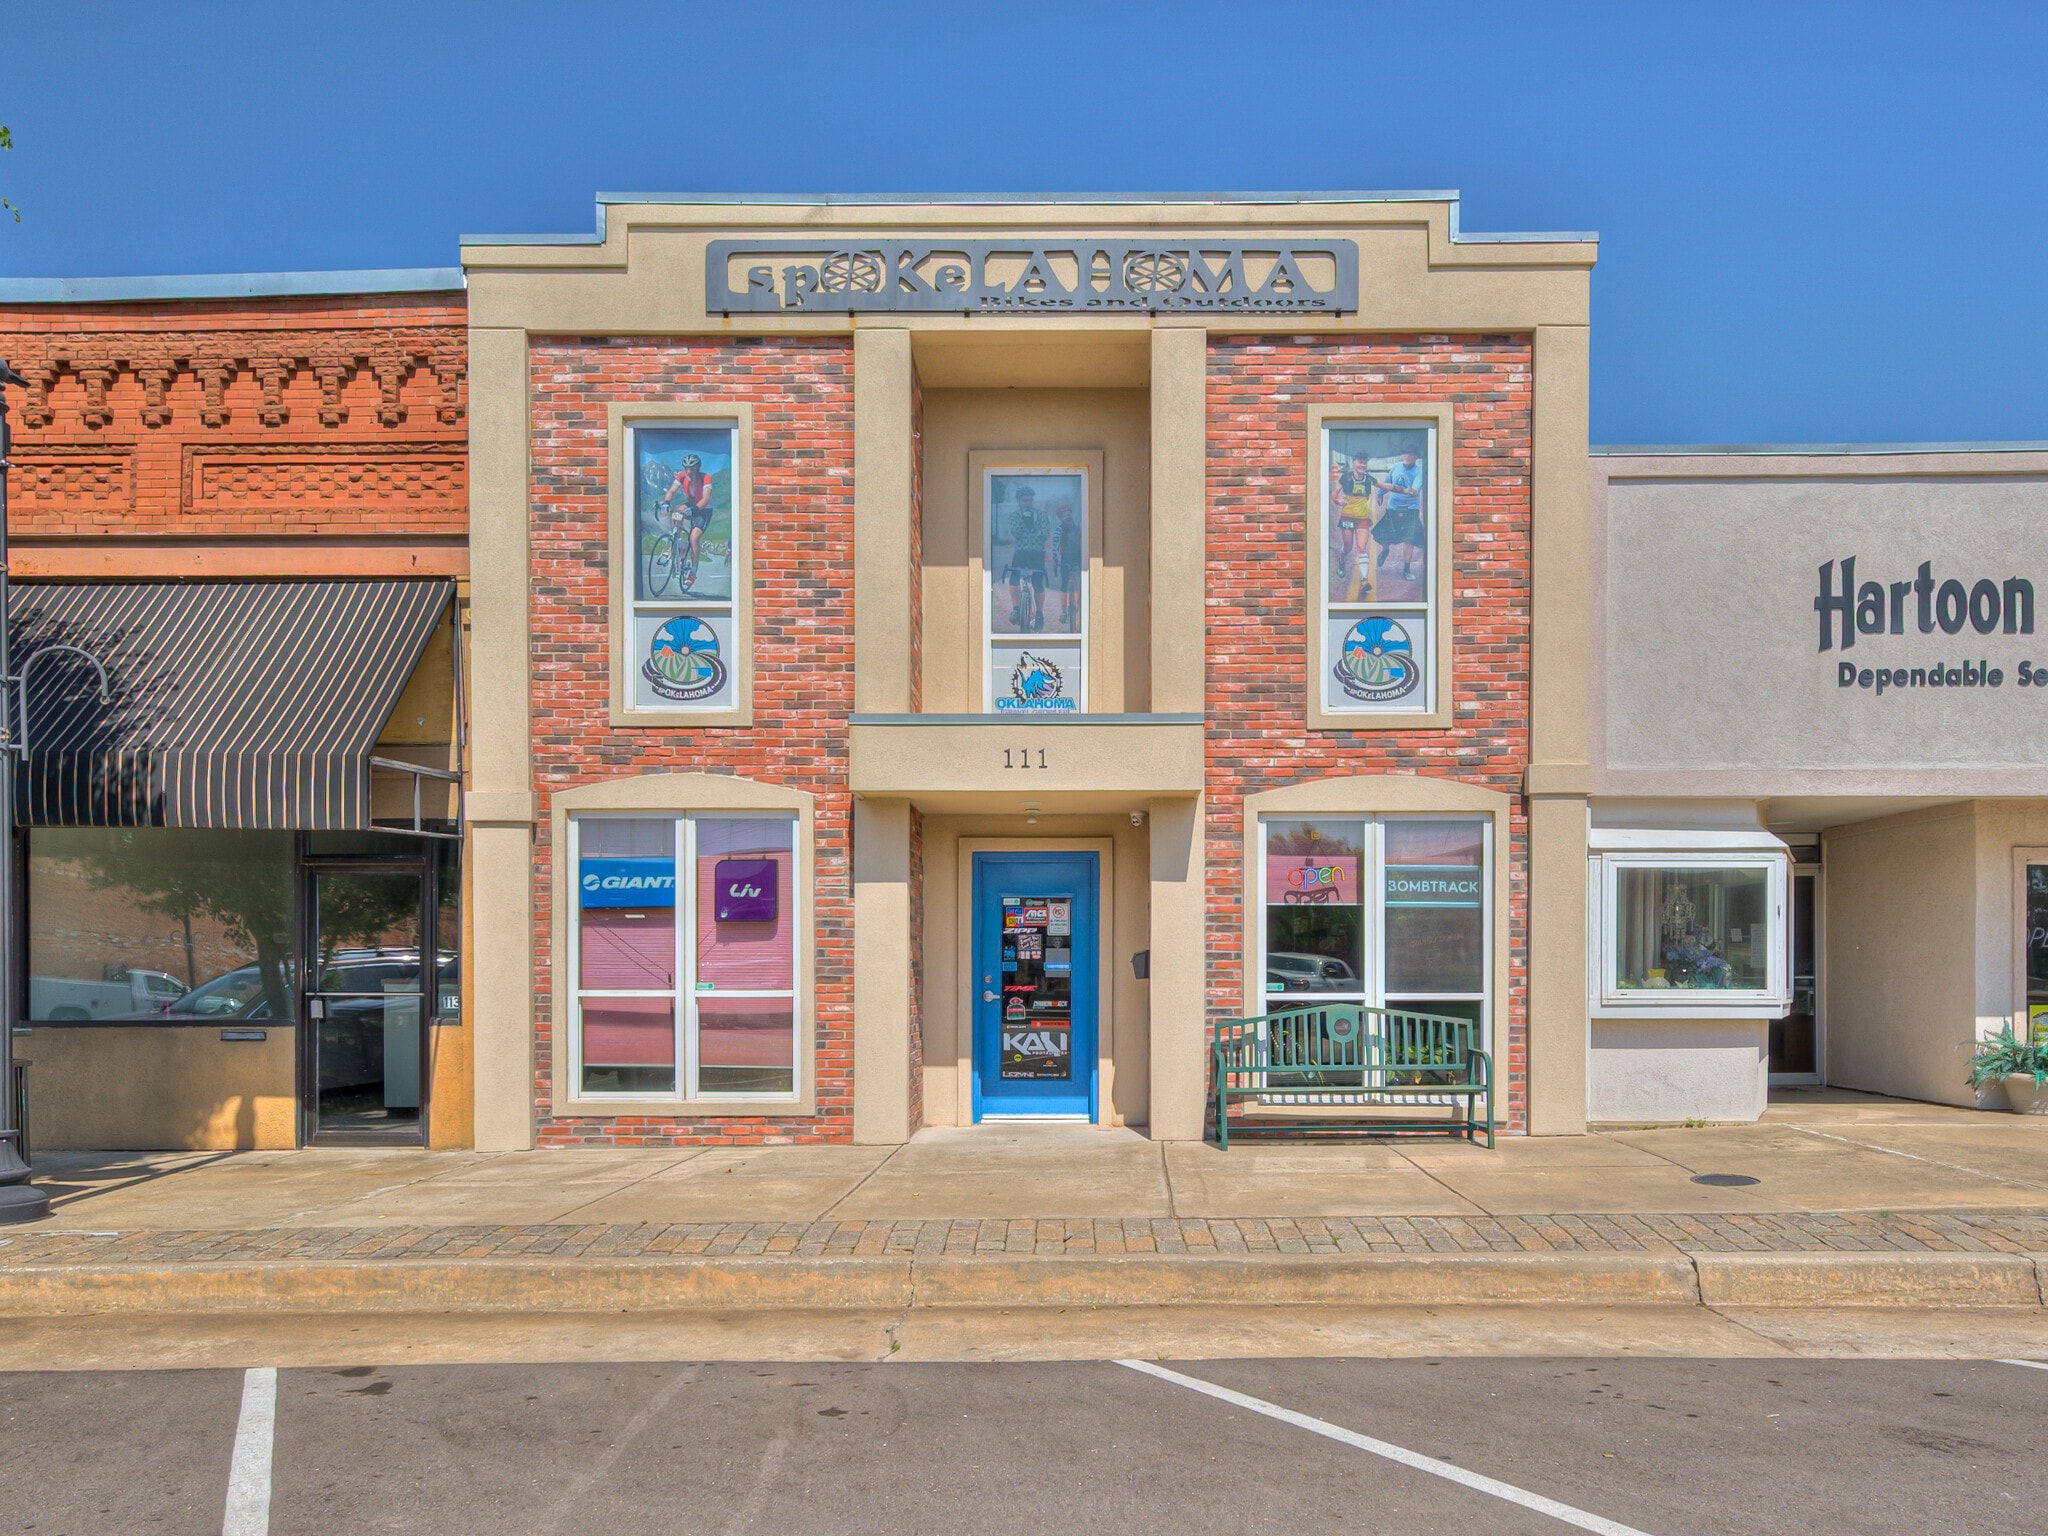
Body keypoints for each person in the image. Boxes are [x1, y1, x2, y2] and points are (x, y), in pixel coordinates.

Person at [1370, 445, 1427, 586]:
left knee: (1409, 540)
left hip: (1410, 509)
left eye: (1411, 454)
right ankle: (1385, 550)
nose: (1408, 456)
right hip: (1393, 508)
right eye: (1405, 453)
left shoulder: (1418, 472)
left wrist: (1406, 490)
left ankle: (1407, 569)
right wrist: (1380, 493)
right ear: (1402, 455)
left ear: (1416, 457)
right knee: (1384, 536)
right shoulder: (1396, 467)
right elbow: (1387, 482)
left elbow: (1413, 491)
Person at [657, 453, 716, 582]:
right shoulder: (682, 476)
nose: (689, 471)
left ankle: (693, 574)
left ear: (698, 468)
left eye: (692, 468)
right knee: (677, 512)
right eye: (687, 468)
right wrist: (666, 502)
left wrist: (694, 509)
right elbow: (671, 491)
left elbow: (706, 498)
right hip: (692, 504)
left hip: (704, 509)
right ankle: (674, 544)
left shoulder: (706, 477)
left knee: (694, 538)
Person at [1330, 449, 1380, 602]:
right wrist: (1338, 501)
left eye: (1364, 463)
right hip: (1347, 517)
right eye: (1360, 462)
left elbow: (1385, 486)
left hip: (1362, 519)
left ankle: (1364, 580)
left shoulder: (1368, 479)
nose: (1362, 465)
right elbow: (1334, 494)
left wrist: (1404, 490)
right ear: (1354, 463)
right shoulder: (1346, 477)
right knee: (1348, 547)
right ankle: (1342, 560)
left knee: (1362, 548)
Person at [1003, 484, 1051, 631]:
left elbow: (1045, 532)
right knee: (1014, 577)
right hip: (1021, 553)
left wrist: (1032, 529)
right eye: (1024, 500)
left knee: (1037, 583)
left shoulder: (1041, 514)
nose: (1028, 503)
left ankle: (1040, 614)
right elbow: (1016, 532)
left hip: (1037, 553)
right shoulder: (1014, 516)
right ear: (1018, 501)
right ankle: (1016, 608)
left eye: (1030, 500)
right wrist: (1027, 524)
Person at [1050, 500, 1082, 631]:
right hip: (1065, 559)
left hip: (1078, 558)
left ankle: (1079, 602)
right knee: (1064, 584)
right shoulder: (1059, 529)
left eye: (1069, 514)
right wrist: (1054, 559)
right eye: (1064, 515)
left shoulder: (1078, 528)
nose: (1068, 517)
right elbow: (1055, 544)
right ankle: (1064, 610)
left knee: (1081, 582)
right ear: (1061, 519)